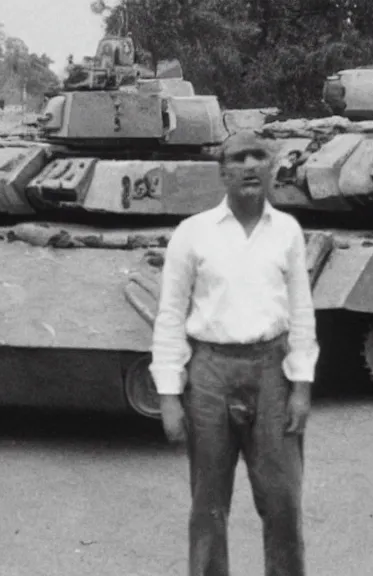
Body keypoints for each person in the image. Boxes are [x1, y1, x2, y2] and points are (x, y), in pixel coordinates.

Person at [150, 130, 319, 576]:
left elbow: (301, 311)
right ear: (222, 170)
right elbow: (169, 315)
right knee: (208, 506)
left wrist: (301, 387)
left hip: (272, 372)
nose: (249, 166)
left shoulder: (287, 232)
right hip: (209, 373)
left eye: (258, 156)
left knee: (283, 503)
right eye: (238, 158)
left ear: (272, 166)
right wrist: (169, 395)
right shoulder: (193, 233)